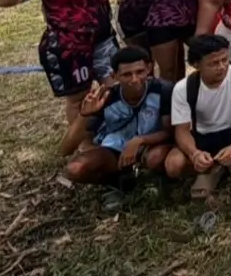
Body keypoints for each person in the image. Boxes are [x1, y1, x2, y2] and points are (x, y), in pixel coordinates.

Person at [0, 0, 118, 150]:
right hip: (68, 46)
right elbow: (4, 1)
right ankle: (84, 144)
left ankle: (112, 131)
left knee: (115, 87)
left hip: (103, 40)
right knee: (79, 98)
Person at [166, 34, 231, 197]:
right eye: (213, 63)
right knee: (173, 165)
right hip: (203, 137)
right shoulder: (183, 88)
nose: (221, 67)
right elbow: (182, 131)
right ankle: (212, 167)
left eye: (225, 60)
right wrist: (194, 153)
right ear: (196, 65)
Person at [62, 47, 172, 185]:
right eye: (127, 75)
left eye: (140, 72)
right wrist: (84, 115)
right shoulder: (106, 98)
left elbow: (170, 131)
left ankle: (154, 180)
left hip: (151, 146)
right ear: (114, 76)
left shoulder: (164, 90)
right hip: (113, 150)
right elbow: (65, 149)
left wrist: (140, 140)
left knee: (156, 157)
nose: (134, 79)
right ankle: (116, 181)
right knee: (75, 169)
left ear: (149, 68)